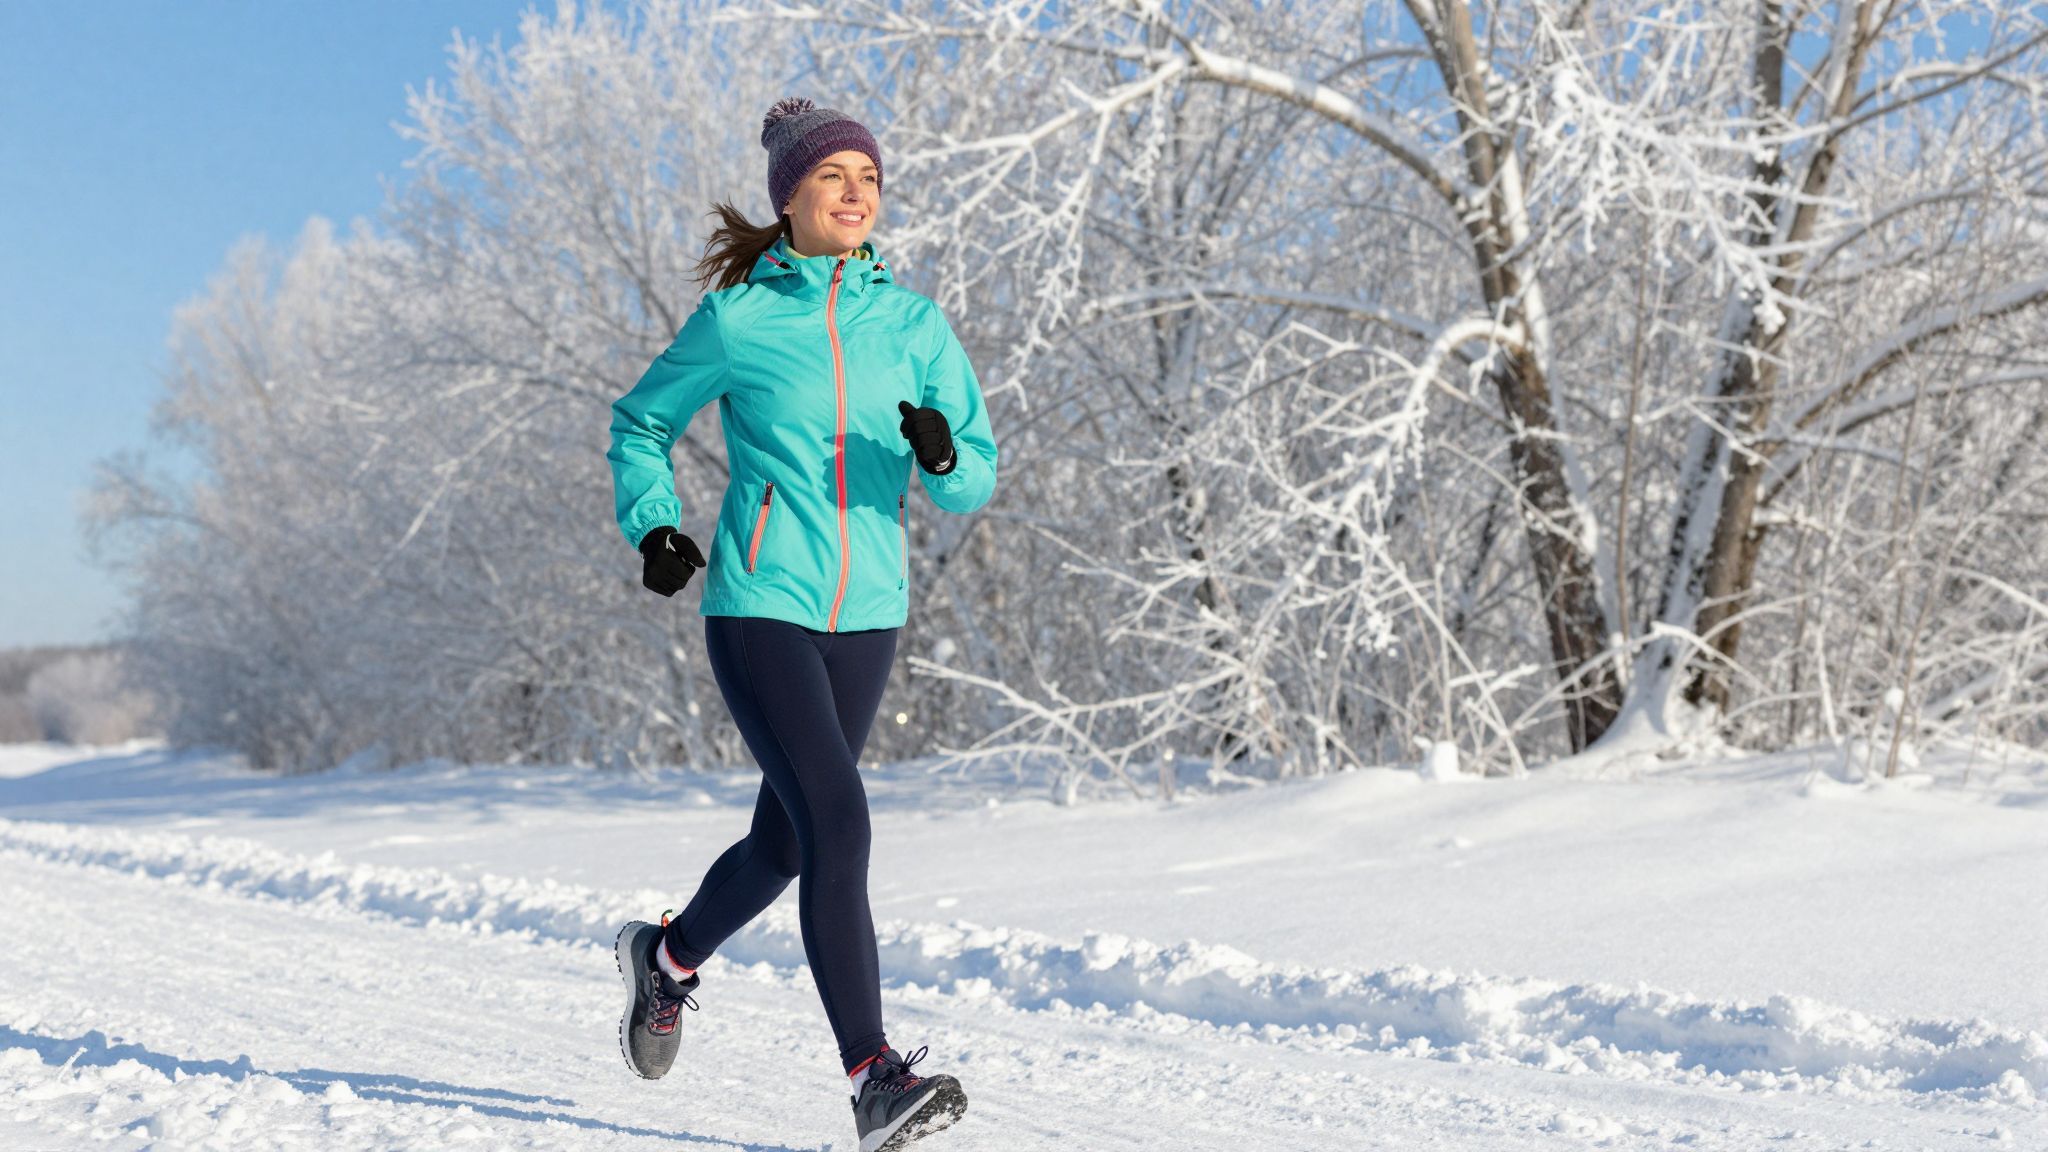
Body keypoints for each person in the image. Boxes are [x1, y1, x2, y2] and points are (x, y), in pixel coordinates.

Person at [603, 95, 996, 1152]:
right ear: (790, 197)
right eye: (834, 177)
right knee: (840, 818)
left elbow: (972, 480)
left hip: (868, 616)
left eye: (868, 176)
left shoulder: (914, 326)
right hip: (758, 602)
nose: (857, 192)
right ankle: (872, 1075)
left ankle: (669, 959)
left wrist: (942, 452)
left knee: (788, 839)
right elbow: (639, 422)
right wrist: (654, 527)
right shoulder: (740, 319)